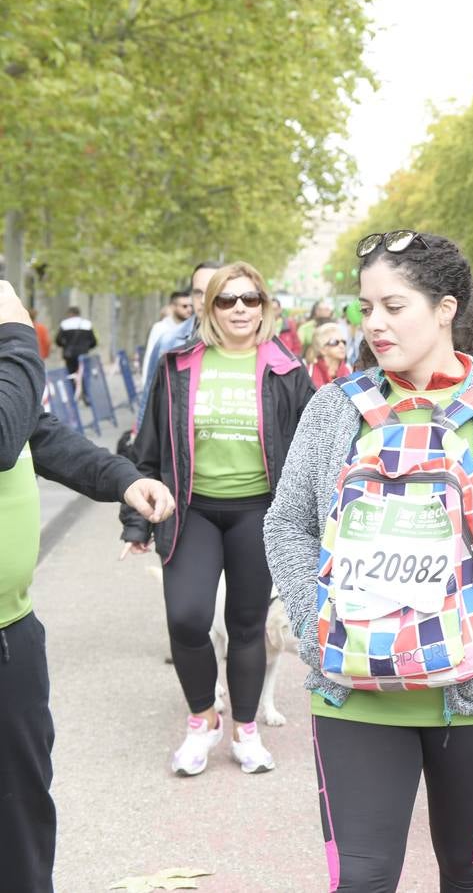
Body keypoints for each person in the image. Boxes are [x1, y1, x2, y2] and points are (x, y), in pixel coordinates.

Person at [263, 230, 473, 890]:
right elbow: (287, 521)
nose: (375, 324)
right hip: (353, 691)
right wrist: (312, 624)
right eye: (367, 307)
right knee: (360, 880)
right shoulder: (336, 410)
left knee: (469, 873)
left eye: (395, 305)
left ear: (446, 308)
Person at [0, 280, 176, 892]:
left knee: (21, 813)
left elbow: (36, 432)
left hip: (11, 631)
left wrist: (123, 479)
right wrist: (19, 335)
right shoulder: (11, 346)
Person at [121, 262, 314, 777]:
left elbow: (313, 454)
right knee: (186, 619)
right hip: (192, 510)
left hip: (258, 511)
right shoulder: (178, 364)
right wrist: (137, 522)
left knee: (247, 626)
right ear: (210, 308)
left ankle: (245, 731)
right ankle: (203, 720)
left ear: (264, 306)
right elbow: (149, 450)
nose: (239, 309)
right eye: (227, 300)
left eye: (250, 299)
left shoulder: (286, 369)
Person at [137, 261, 222, 429]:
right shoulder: (168, 342)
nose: (204, 300)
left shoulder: (246, 344)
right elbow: (149, 401)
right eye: (198, 293)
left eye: (212, 291)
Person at [142, 290, 194, 386]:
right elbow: (150, 357)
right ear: (172, 307)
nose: (189, 309)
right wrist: (147, 385)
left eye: (191, 306)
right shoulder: (160, 328)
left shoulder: (194, 329)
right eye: (184, 306)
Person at [55, 305, 97, 398]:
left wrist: (65, 346)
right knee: (83, 374)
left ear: (70, 314)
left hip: (70, 354)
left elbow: (58, 340)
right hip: (83, 354)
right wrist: (86, 347)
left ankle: (73, 394)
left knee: (70, 373)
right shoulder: (87, 324)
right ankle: (86, 395)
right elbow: (93, 341)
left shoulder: (65, 324)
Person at [308, 321, 352, 387]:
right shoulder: (309, 372)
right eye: (334, 342)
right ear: (322, 349)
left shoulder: (349, 370)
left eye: (343, 341)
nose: (341, 345)